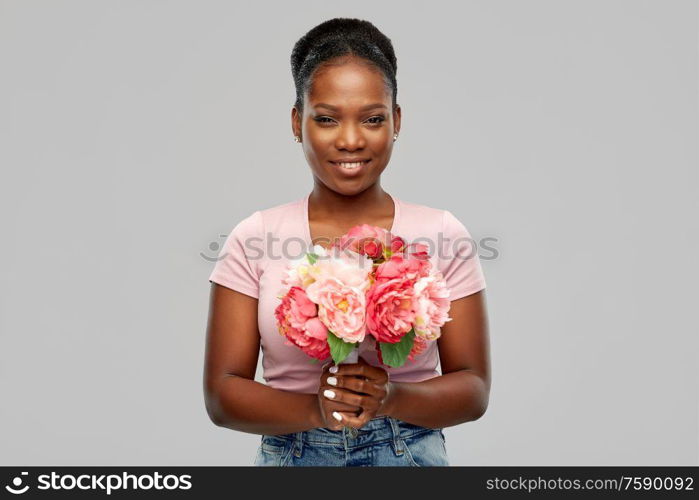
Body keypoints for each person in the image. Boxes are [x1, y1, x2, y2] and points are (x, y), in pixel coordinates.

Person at [204, 17, 490, 467]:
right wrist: (316, 410)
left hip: (408, 455)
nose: (351, 140)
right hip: (294, 452)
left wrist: (390, 397)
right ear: (298, 122)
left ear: (395, 121)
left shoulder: (442, 233)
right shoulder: (255, 237)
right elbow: (222, 393)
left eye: (372, 119)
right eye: (327, 119)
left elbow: (474, 388)